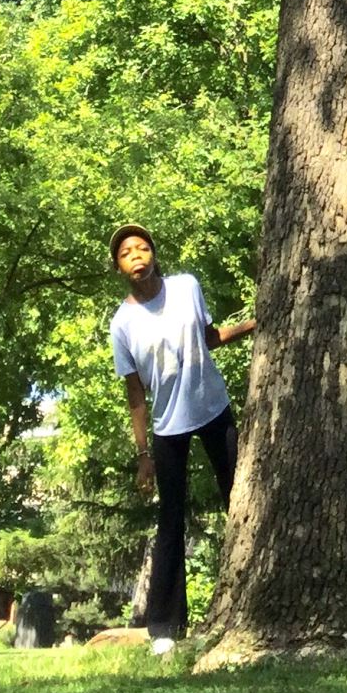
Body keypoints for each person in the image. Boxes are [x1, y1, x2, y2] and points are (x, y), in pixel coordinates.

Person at [107, 222, 255, 656]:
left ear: (154, 254)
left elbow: (209, 339)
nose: (136, 256)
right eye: (125, 254)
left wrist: (254, 324)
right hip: (167, 426)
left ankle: (254, 592)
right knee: (171, 520)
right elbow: (135, 393)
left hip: (213, 409)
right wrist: (143, 455)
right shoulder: (122, 324)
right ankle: (164, 627)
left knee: (240, 498)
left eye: (141, 248)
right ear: (119, 268)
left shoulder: (187, 286)